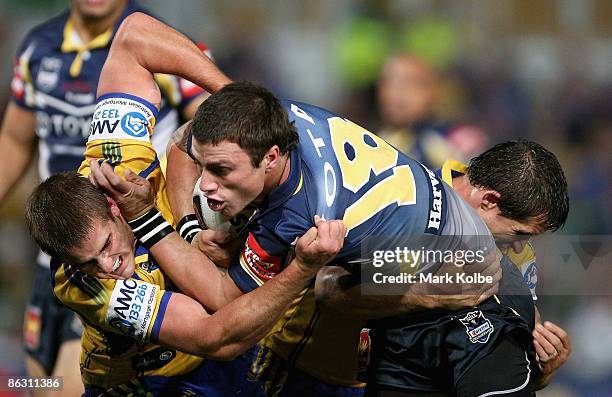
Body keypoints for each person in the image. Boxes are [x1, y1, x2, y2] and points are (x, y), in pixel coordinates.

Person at [88, 13, 567, 397]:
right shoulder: (412, 217)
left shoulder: (504, 264)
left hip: (330, 378)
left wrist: (541, 370)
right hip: (270, 353)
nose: (518, 247)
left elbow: (503, 366)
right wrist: (193, 229)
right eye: (520, 233)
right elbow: (329, 291)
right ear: (488, 198)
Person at [24, 15, 347, 395]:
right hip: (147, 380)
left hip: (218, 358)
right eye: (89, 263)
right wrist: (302, 269)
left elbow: (133, 38)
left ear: (113, 207)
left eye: (107, 247)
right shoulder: (86, 286)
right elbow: (217, 335)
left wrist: (236, 104)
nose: (110, 267)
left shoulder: (117, 161)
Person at [0, 1, 209, 394]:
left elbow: (212, 130)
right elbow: (13, 140)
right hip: (58, 256)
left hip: (121, 256)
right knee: (39, 385)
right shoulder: (37, 48)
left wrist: (189, 226)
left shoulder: (157, 41)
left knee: (70, 386)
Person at [376, 53, 488, 168]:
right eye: (391, 82)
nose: (398, 93)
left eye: (411, 83)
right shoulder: (370, 141)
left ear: (433, 91)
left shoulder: (460, 140)